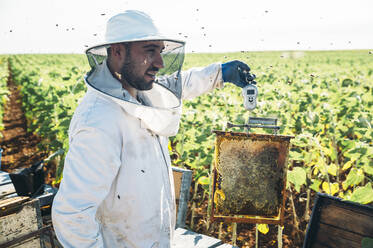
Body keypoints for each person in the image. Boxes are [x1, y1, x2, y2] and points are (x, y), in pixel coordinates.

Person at [52, 10, 254, 248]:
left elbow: (177, 85)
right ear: (117, 51)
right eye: (149, 51)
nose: (159, 63)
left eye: (160, 51)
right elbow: (71, 216)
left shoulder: (138, 92)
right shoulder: (98, 122)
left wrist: (219, 73)